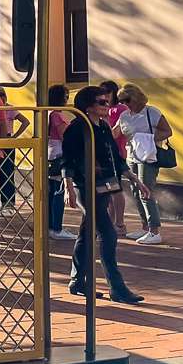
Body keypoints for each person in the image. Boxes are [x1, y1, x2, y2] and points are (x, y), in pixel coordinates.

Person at [62, 86, 151, 304]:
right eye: (101, 102)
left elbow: (115, 156)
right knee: (109, 234)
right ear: (88, 106)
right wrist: (68, 187)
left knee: (87, 233)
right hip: (86, 188)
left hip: (105, 185)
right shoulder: (76, 128)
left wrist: (135, 179)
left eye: (106, 101)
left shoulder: (102, 126)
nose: (106, 106)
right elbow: (68, 160)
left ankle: (77, 281)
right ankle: (117, 288)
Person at [113, 83, 171, 245]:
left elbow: (167, 131)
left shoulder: (151, 112)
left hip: (148, 156)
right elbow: (115, 132)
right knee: (135, 190)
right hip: (131, 156)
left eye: (127, 100)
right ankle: (145, 226)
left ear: (136, 97)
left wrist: (147, 140)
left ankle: (154, 230)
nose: (124, 103)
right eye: (121, 101)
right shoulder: (125, 115)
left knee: (145, 190)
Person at [100, 80, 132, 236]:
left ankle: (120, 223)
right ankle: (111, 222)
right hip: (104, 155)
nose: (104, 96)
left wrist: (105, 117)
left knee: (116, 189)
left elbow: (115, 133)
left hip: (116, 153)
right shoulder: (104, 108)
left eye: (107, 92)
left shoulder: (120, 109)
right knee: (109, 189)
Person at [46, 84, 77, 240]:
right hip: (59, 153)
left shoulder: (47, 113)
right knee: (59, 192)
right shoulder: (57, 115)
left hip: (49, 153)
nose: (67, 99)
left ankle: (50, 226)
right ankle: (56, 228)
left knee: (51, 192)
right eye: (65, 96)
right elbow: (65, 135)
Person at [0, 87, 30, 212]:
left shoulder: (10, 108)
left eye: (3, 94)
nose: (2, 97)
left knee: (7, 171)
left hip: (7, 140)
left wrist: (15, 136)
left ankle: (8, 203)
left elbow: (25, 121)